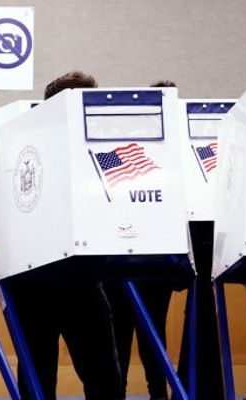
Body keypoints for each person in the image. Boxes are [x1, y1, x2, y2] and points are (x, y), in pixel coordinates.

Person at [0, 70, 124, 399]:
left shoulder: (14, 143)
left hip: (32, 279)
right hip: (75, 279)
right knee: (99, 374)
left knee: (41, 375)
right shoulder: (84, 150)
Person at [103, 79, 184, 400]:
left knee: (147, 338)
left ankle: (156, 394)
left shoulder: (161, 152)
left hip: (151, 262)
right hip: (125, 259)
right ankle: (141, 394)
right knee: (126, 338)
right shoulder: (131, 149)